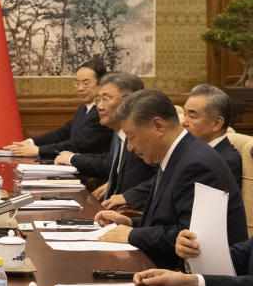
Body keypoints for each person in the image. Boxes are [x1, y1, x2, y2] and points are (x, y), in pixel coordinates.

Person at [94, 90, 247, 269]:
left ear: (158, 126)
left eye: (132, 137)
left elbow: (189, 237)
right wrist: (129, 222)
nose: (130, 147)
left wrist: (132, 235)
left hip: (197, 277)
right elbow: (167, 221)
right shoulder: (178, 153)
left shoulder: (196, 164)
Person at [104, 83, 244, 210]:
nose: (184, 122)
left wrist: (132, 231)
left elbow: (190, 228)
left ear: (217, 123)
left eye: (192, 116)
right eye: (185, 113)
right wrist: (130, 223)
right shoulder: (184, 151)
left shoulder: (214, 160)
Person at [53, 72, 155, 204]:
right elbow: (112, 162)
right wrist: (113, 183)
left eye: (106, 99)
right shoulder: (118, 133)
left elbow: (164, 177)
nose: (99, 107)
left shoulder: (146, 136)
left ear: (131, 100)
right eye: (98, 100)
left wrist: (128, 196)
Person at [4, 58, 112, 158]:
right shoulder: (84, 109)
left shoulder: (103, 113)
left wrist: (38, 150)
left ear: (101, 84)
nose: (80, 88)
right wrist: (31, 142)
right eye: (76, 83)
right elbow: (62, 133)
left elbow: (79, 145)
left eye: (86, 83)